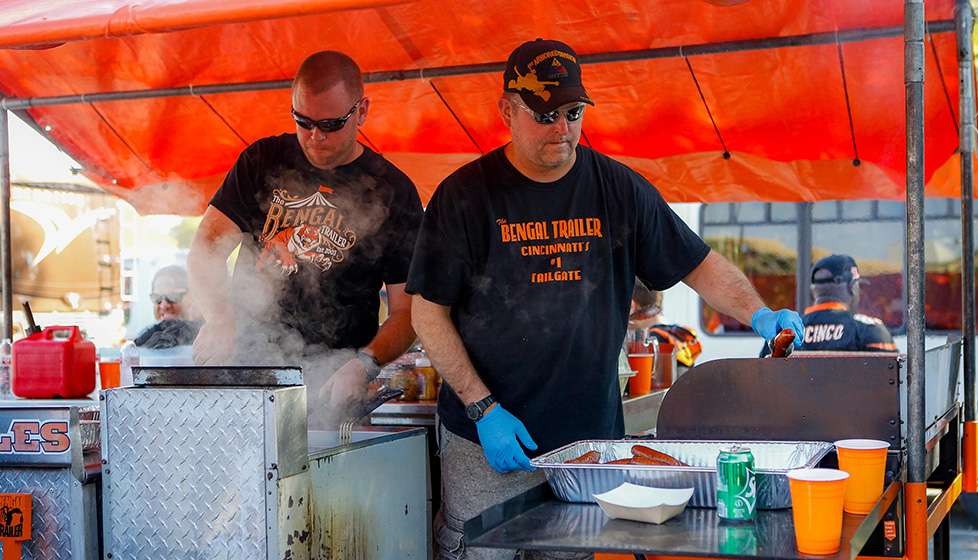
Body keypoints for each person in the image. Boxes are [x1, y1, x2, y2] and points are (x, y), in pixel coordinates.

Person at [405, 38, 805, 560]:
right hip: (487, 443)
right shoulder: (463, 197)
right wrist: (483, 408)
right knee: (484, 550)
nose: (562, 129)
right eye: (544, 113)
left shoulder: (618, 189)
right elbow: (426, 312)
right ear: (506, 110)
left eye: (573, 112)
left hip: (589, 446)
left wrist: (758, 311)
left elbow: (699, 264)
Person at [187, 51, 423, 424]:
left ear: (361, 111)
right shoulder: (263, 160)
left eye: (330, 124)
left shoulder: (392, 190)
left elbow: (408, 311)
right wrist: (218, 319)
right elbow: (206, 248)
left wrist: (364, 364)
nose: (315, 138)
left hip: (334, 386)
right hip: (248, 375)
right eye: (303, 121)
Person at [796, 254, 897, 352]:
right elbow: (889, 368)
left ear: (813, 290)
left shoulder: (791, 333)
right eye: (857, 285)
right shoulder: (870, 330)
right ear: (852, 288)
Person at [134, 265, 202, 349]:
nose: (163, 305)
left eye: (173, 296)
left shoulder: (208, 338)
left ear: (193, 298)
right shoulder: (144, 337)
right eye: (157, 297)